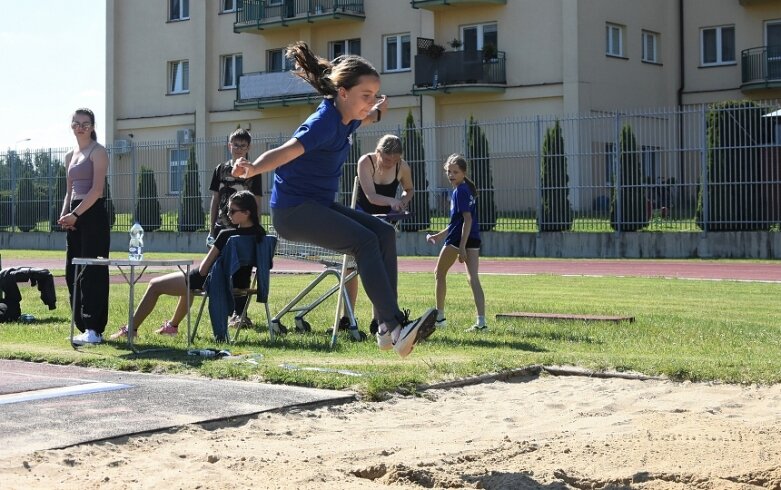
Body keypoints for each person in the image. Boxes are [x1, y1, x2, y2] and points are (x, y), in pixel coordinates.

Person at [233, 41, 436, 358]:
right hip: (294, 212)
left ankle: (386, 328)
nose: (368, 103)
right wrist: (253, 168)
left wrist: (378, 108)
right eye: (364, 97)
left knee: (382, 233)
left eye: (372, 96)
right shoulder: (323, 123)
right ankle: (394, 327)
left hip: (319, 206)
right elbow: (286, 151)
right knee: (365, 242)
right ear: (343, 93)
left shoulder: (348, 116)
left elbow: (367, 118)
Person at [109, 191, 265, 340]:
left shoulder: (227, 235)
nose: (227, 214)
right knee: (186, 284)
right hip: (241, 284)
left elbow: (204, 269)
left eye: (232, 211)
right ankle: (172, 326)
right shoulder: (262, 235)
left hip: (213, 281)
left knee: (154, 285)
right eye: (227, 210)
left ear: (246, 213)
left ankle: (131, 330)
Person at [339, 134, 414, 334]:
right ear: (378, 152)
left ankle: (378, 320)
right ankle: (347, 317)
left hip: (383, 222)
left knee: (379, 267)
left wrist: (403, 202)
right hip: (360, 218)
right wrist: (391, 201)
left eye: (395, 161)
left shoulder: (402, 167)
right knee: (351, 268)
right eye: (387, 159)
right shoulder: (366, 161)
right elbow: (371, 196)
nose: (391, 164)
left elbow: (409, 189)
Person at [58, 108, 110, 346]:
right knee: (73, 271)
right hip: (75, 215)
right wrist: (64, 215)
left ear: (92, 126)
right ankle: (81, 325)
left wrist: (77, 214)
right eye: (77, 123)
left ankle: (94, 328)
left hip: (92, 214)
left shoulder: (98, 152)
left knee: (92, 271)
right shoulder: (70, 155)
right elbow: (69, 191)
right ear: (71, 125)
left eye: (85, 124)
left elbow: (97, 190)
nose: (80, 127)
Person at [426, 154, 487, 332]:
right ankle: (481, 322)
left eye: (455, 172)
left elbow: (467, 220)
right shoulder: (464, 189)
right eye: (449, 171)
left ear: (463, 172)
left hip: (459, 239)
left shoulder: (460, 190)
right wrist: (438, 236)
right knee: (472, 278)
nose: (451, 175)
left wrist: (461, 247)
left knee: (439, 273)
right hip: (471, 237)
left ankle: (440, 318)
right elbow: (457, 222)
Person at [208, 128, 263, 322]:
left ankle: (241, 314)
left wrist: (255, 226)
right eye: (235, 144)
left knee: (242, 271)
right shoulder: (220, 169)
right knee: (219, 271)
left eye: (243, 145)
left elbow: (256, 201)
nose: (239, 149)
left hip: (244, 230)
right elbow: (215, 199)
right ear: (229, 145)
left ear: (249, 148)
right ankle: (223, 312)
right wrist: (211, 227)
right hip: (221, 227)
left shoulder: (254, 171)